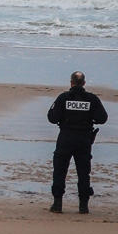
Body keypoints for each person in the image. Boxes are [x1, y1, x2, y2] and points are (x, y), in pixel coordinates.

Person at [47, 71, 108, 214]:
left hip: (66, 137)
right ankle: (83, 206)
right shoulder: (92, 99)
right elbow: (102, 118)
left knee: (60, 171)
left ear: (71, 83)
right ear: (84, 83)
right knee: (83, 173)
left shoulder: (63, 98)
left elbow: (52, 117)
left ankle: (57, 204)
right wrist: (90, 119)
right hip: (84, 139)